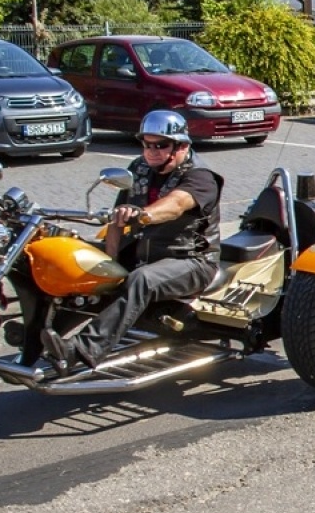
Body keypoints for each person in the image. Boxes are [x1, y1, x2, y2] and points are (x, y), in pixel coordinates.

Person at [42, 110, 223, 373]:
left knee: (142, 279)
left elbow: (175, 205)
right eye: (147, 144)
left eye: (160, 145)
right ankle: (43, 333)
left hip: (191, 261)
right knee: (73, 257)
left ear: (182, 145)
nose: (152, 151)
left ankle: (82, 350)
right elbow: (117, 220)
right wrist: (109, 265)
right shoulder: (138, 169)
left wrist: (144, 214)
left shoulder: (201, 177)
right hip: (142, 252)